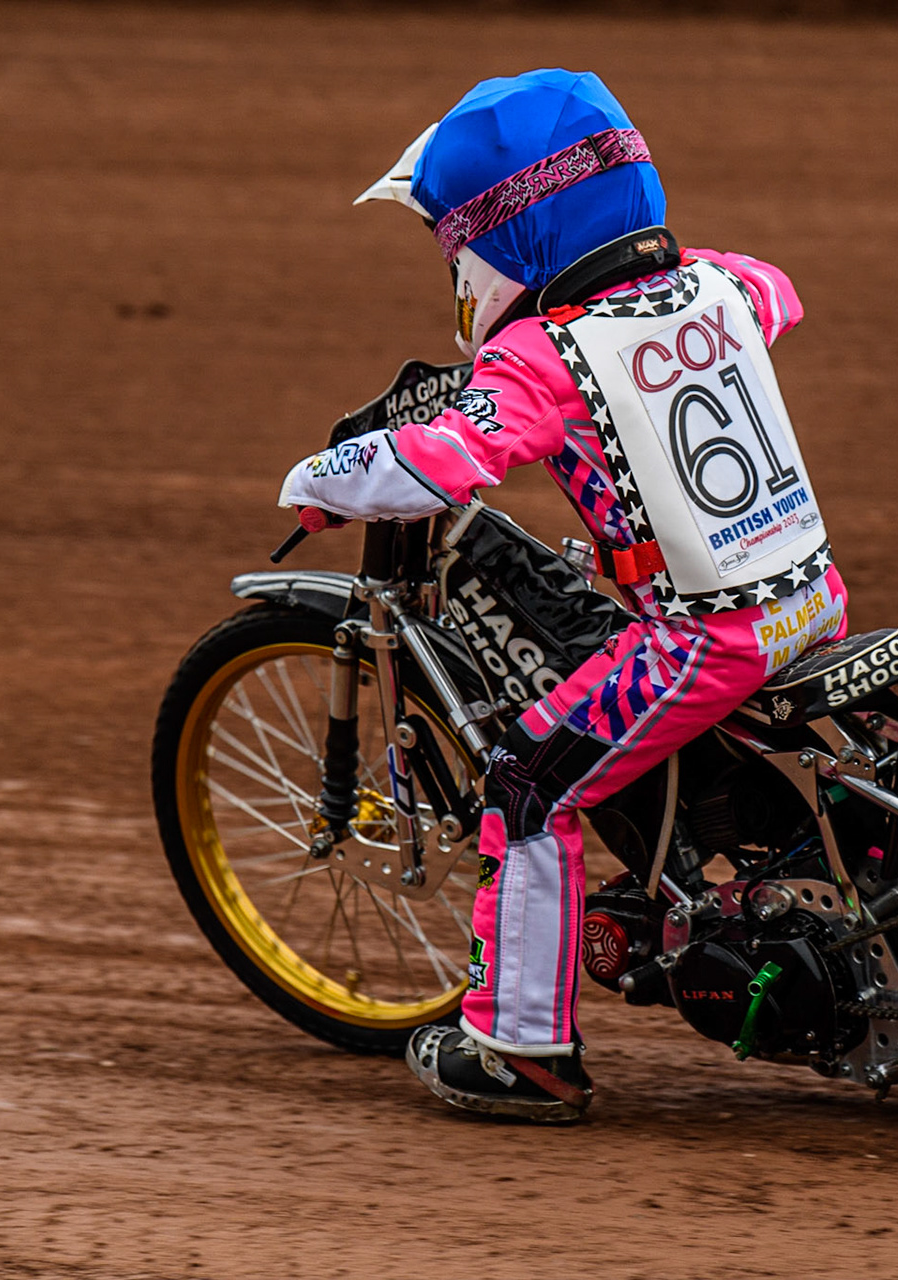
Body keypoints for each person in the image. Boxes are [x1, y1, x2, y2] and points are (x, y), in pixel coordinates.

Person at [279, 69, 847, 1122]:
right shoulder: (726, 281)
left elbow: (444, 460)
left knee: (528, 781)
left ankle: (520, 1050)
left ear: (505, 238)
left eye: (456, 243)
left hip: (704, 638)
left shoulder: (545, 354)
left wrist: (317, 480)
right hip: (812, 600)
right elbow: (783, 293)